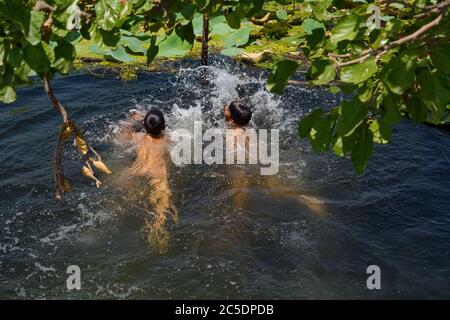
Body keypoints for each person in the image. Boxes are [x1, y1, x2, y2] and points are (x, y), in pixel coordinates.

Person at [223, 101, 328, 217]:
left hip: (245, 166)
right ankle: (304, 198)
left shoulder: (231, 134)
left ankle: (235, 219)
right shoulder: (248, 129)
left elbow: (233, 154)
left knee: (239, 193)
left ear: (232, 119)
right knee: (276, 190)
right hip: (264, 161)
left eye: (227, 109)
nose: (225, 108)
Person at [116, 109, 178, 253]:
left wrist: (132, 119)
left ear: (144, 126)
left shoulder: (138, 137)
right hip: (157, 172)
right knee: (162, 207)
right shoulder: (167, 138)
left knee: (126, 196)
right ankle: (157, 227)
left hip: (136, 170)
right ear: (164, 127)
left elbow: (122, 133)